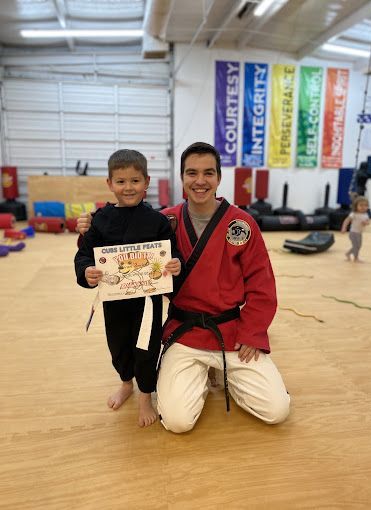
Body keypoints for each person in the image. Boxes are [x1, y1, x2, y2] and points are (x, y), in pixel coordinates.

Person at [77, 142, 290, 433]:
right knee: (177, 422)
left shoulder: (242, 224)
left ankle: (226, 377)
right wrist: (87, 231)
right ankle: (199, 376)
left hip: (231, 331)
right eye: (192, 173)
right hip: (185, 331)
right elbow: (116, 245)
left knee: (277, 410)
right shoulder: (164, 221)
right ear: (182, 178)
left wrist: (252, 332)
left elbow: (262, 284)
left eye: (208, 173)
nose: (200, 181)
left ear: (218, 178)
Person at [74, 149, 182, 427]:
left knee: (146, 348)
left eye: (135, 180)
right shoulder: (99, 220)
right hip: (114, 301)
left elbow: (173, 255)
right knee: (118, 345)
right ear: (109, 184)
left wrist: (175, 265)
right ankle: (126, 384)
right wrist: (87, 271)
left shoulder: (157, 221)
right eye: (121, 181)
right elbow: (84, 255)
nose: (128, 187)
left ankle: (146, 395)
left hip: (147, 303)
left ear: (146, 182)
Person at [341, 195, 370, 262]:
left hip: (359, 233)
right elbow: (346, 220)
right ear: (356, 206)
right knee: (356, 246)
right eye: (361, 205)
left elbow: (368, 221)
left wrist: (366, 223)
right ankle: (356, 258)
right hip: (353, 233)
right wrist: (344, 228)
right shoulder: (354, 214)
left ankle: (348, 253)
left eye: (365, 205)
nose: (363, 207)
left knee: (358, 246)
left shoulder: (365, 214)